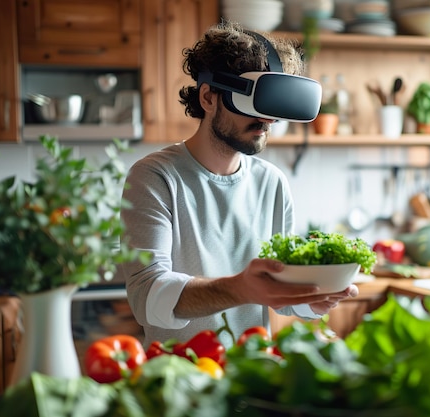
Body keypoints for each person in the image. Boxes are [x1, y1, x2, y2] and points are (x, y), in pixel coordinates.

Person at [117, 22, 359, 350]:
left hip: (252, 373)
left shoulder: (271, 183)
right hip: (178, 380)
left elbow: (274, 289)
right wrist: (239, 289)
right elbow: (147, 297)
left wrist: (312, 301)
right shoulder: (155, 177)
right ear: (208, 97)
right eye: (254, 106)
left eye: (273, 110)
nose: (268, 122)